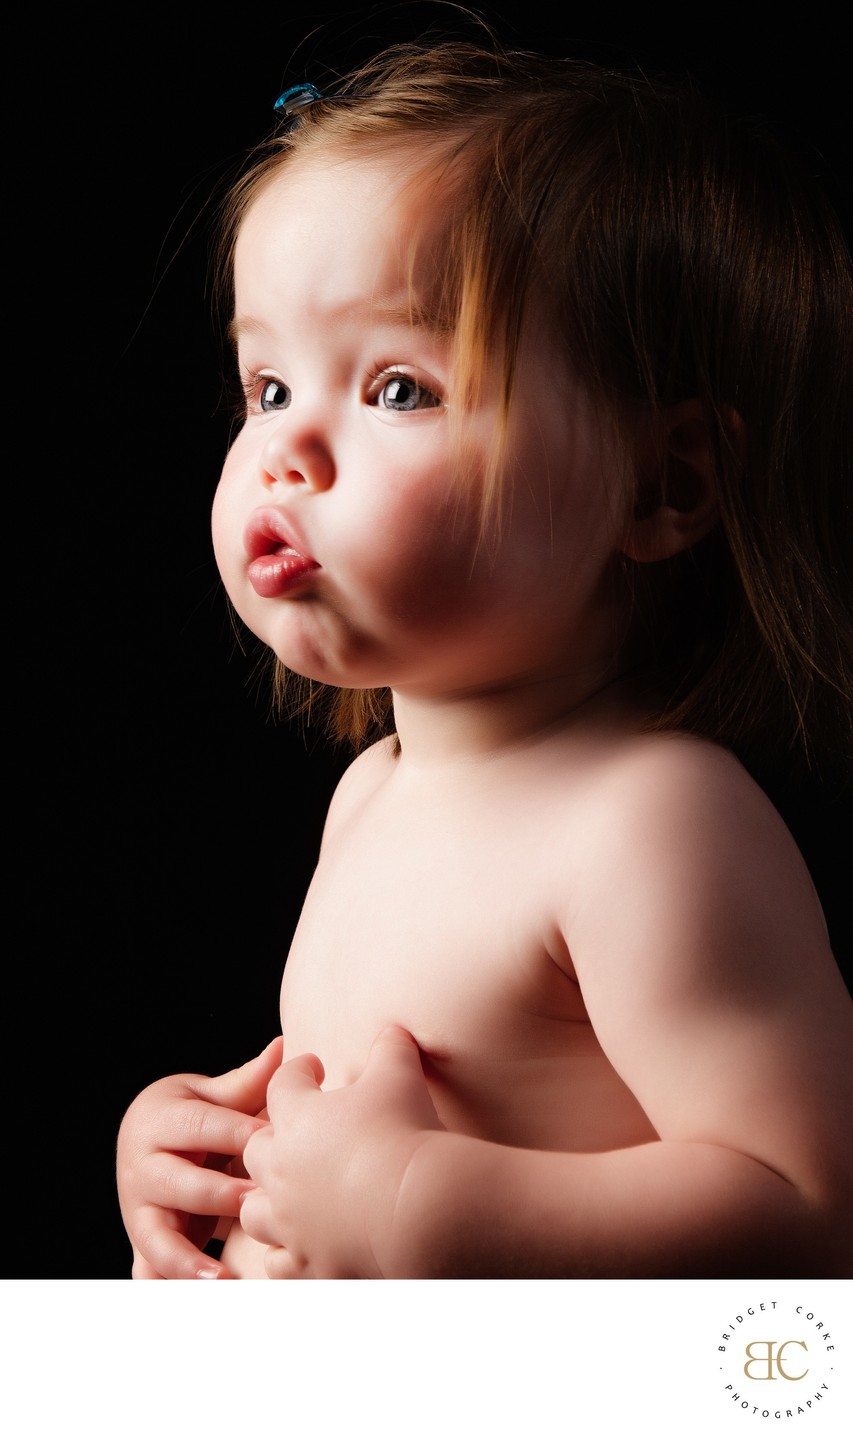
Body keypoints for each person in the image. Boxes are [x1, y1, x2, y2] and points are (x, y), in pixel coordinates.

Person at [116, 38, 853, 1279]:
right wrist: (210, 1171)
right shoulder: (373, 795)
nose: (286, 450)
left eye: (399, 388)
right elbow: (356, 1135)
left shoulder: (651, 820)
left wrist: (417, 1207)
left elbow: (811, 1213)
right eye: (267, 385)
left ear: (663, 482)